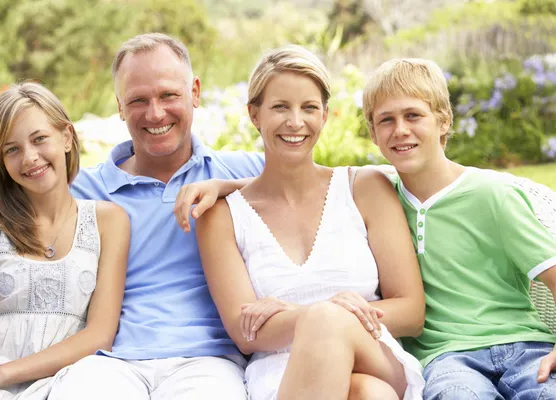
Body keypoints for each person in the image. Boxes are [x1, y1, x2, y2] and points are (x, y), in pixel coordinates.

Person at [190, 45, 425, 400]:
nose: (296, 122)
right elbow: (246, 332)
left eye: (309, 107)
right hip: (279, 375)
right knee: (369, 395)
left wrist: (316, 317)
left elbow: (410, 310)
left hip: (373, 353)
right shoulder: (221, 215)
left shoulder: (365, 188)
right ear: (255, 115)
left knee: (333, 329)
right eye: (280, 107)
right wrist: (325, 314)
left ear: (326, 115)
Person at [48, 33, 264, 399]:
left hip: (209, 361)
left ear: (194, 92)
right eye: (138, 100)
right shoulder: (80, 191)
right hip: (109, 361)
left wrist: (229, 186)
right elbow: (4, 212)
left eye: (168, 95)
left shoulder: (246, 170)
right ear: (119, 106)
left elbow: (323, 186)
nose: (155, 113)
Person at [362, 58, 556, 399]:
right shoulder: (377, 196)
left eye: (413, 115)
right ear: (373, 133)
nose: (400, 130)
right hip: (446, 358)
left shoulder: (493, 193)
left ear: (443, 120)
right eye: (386, 120)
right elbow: (309, 182)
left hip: (524, 347)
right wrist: (238, 186)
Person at [0, 82, 129, 400]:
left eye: (39, 139)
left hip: (67, 382)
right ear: (0, 161)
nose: (29, 158)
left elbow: (100, 335)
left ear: (66, 137)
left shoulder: (108, 221)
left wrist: (1, 375)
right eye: (12, 149)